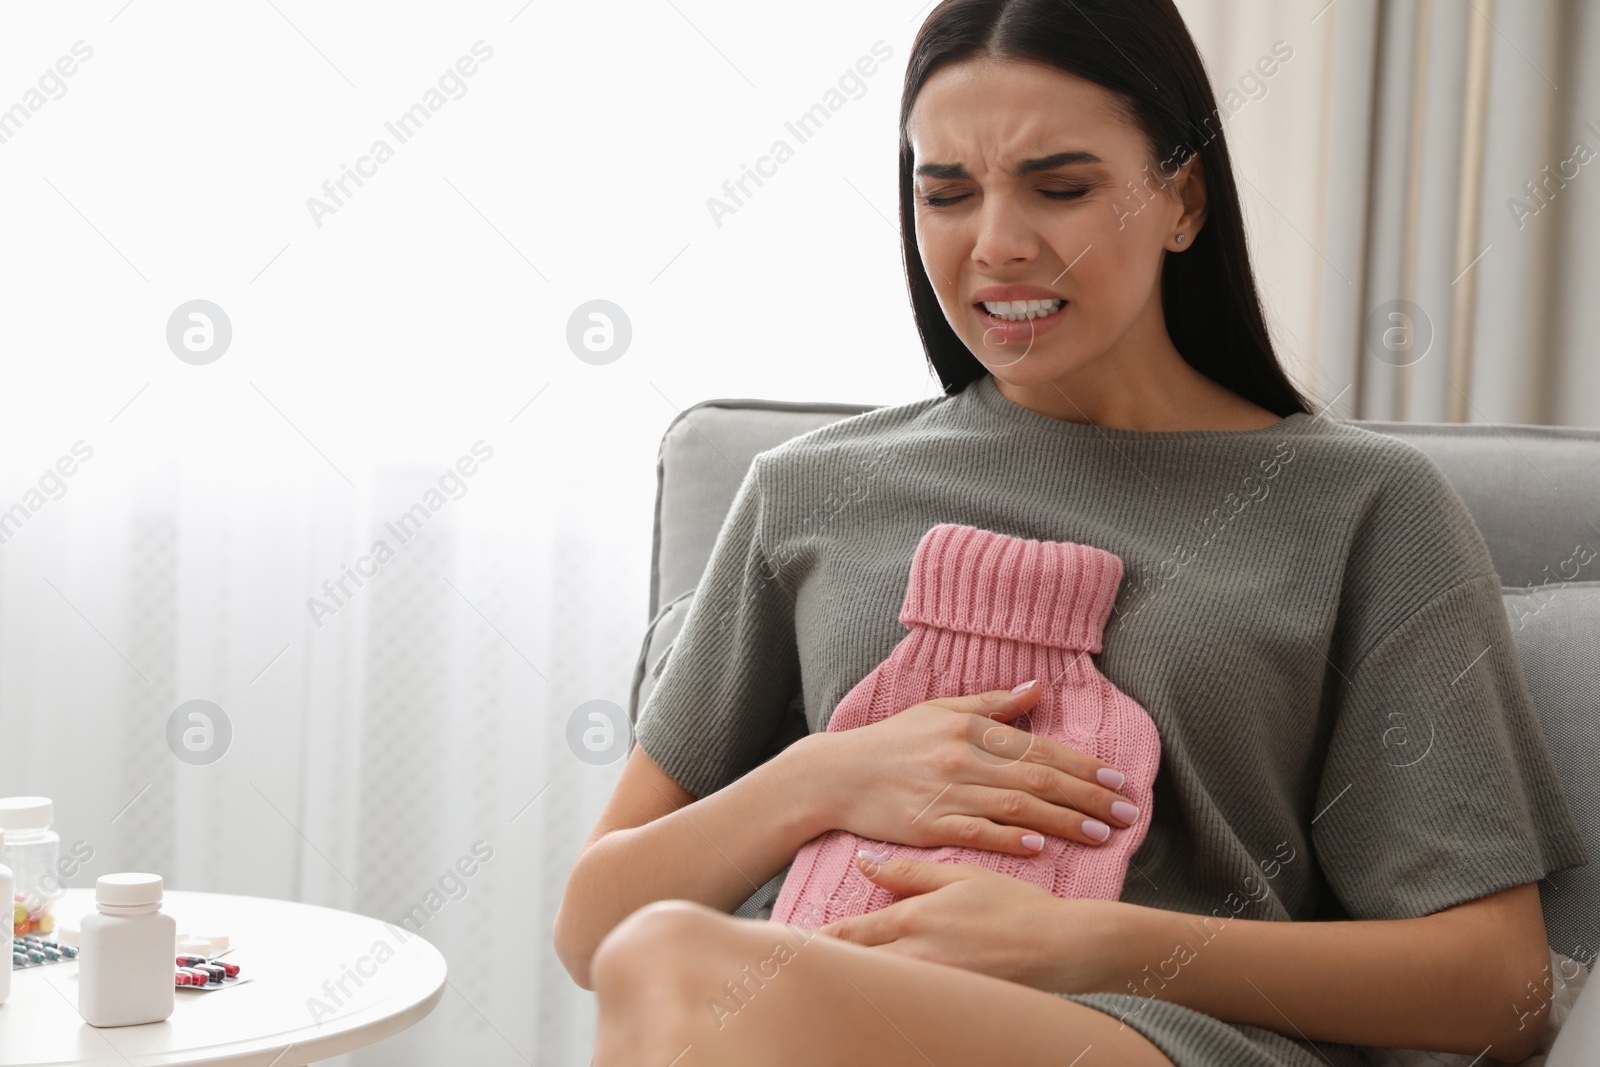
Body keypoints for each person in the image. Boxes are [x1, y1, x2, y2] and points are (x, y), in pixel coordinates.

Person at [552, 2, 1589, 1064]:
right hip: (797, 1002)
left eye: (1061, 187)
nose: (997, 246)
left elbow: (1497, 985)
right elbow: (595, 928)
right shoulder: (808, 491)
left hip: (1167, 1036)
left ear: (1182, 196)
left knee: (686, 971)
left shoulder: (1361, 506)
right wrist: (824, 774)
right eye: (944, 193)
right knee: (670, 964)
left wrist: (1088, 943)